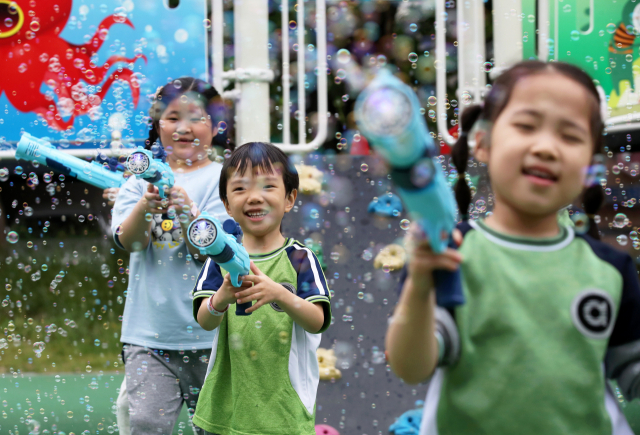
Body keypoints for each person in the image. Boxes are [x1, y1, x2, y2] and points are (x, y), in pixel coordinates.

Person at [386, 60, 640, 435]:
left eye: (570, 136)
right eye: (525, 126)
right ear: (483, 143)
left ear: (591, 166)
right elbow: (411, 367)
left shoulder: (610, 269)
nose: (546, 148)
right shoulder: (450, 253)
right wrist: (420, 284)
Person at [111, 77, 229, 435]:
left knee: (215, 427)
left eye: (196, 117)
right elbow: (129, 243)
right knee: (145, 422)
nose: (183, 127)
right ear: (158, 124)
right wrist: (147, 206)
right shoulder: (138, 181)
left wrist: (184, 212)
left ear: (216, 124)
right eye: (172, 117)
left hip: (212, 337)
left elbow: (205, 251)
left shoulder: (225, 180)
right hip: (149, 336)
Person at [191, 142, 332, 435]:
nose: (254, 198)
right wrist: (222, 297)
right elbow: (205, 321)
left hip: (284, 410)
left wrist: (281, 293)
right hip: (227, 407)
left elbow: (317, 321)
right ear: (227, 204)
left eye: (268, 186)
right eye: (241, 189)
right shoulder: (221, 257)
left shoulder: (300, 258)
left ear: (290, 198)